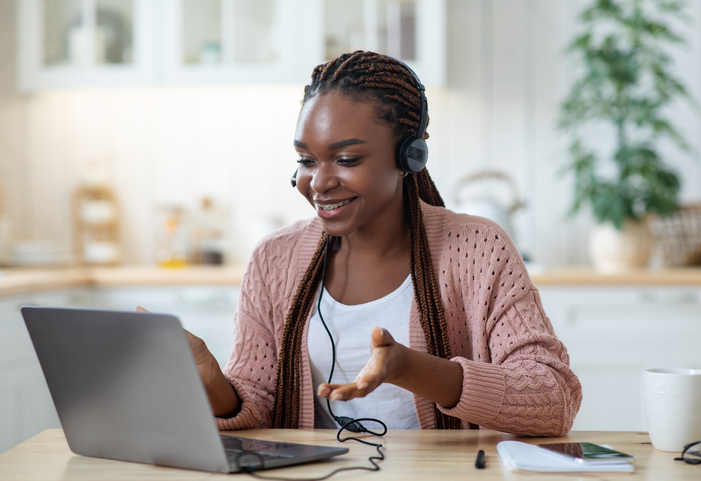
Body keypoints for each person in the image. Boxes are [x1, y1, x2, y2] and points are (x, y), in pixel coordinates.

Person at [178, 51, 582, 436]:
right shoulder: (274, 259)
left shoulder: (478, 249)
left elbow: (553, 398)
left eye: (347, 160)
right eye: (306, 161)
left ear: (410, 156)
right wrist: (215, 384)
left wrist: (410, 369)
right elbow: (261, 402)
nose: (318, 183)